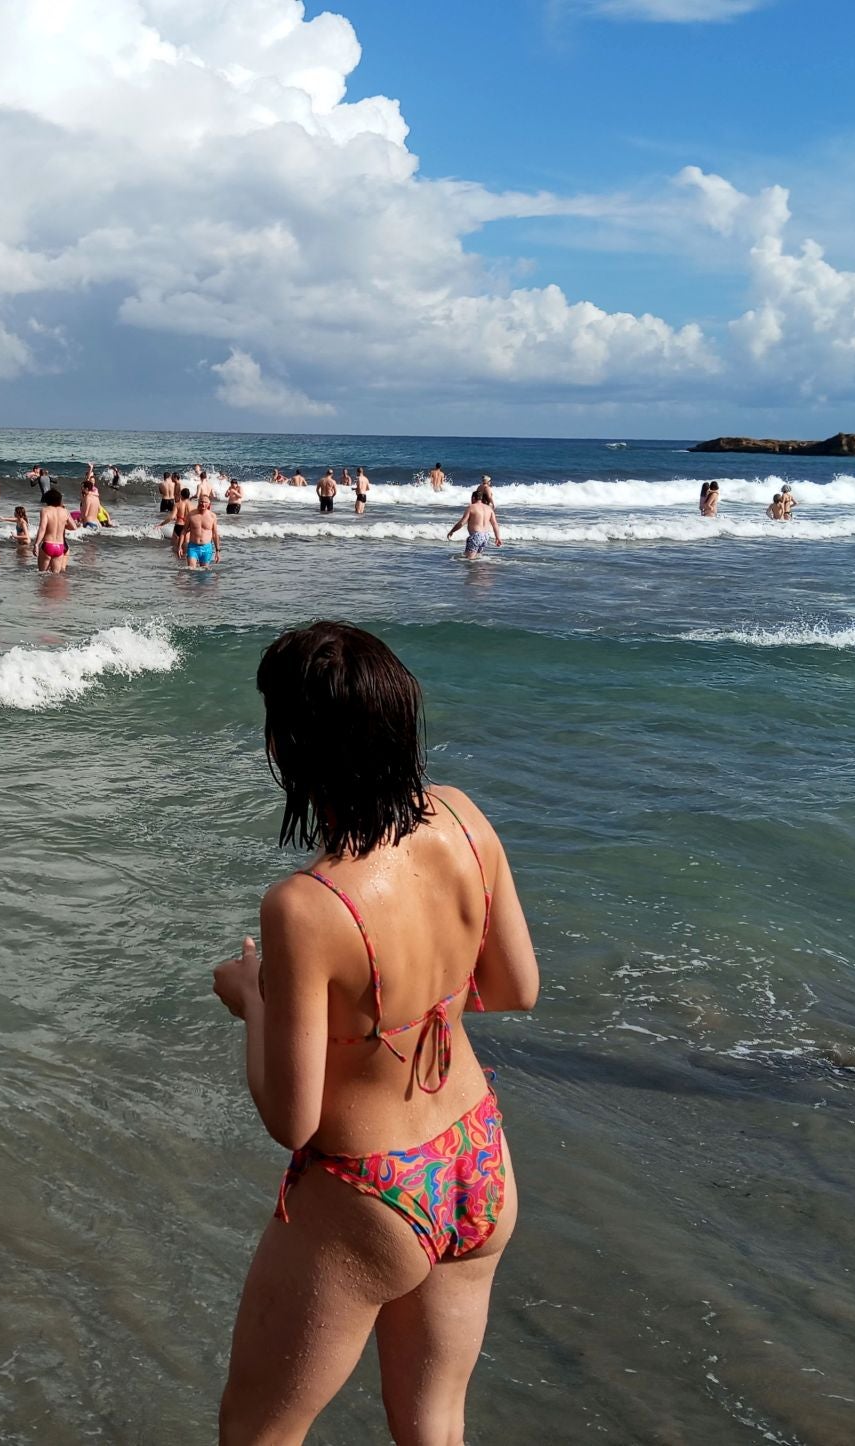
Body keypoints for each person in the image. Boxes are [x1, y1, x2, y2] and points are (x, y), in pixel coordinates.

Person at [212, 621, 539, 1444]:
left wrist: (253, 1000)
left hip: (371, 1192)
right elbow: (515, 988)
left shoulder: (305, 907)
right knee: (434, 1426)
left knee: (256, 1433)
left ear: (291, 746)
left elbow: (293, 1120)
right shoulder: (464, 820)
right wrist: (412, 1000)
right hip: (475, 1158)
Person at [447, 487, 501, 558]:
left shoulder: (471, 507)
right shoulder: (489, 509)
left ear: (473, 498)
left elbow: (462, 522)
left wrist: (452, 531)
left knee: (469, 560)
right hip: (486, 536)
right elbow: (495, 524)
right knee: (477, 558)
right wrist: (498, 537)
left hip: (476, 535)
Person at [35, 487, 75, 573]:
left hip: (48, 545)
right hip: (60, 546)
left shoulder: (45, 511)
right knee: (55, 576)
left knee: (41, 575)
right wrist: (62, 525)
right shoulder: (65, 511)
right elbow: (74, 527)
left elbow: (42, 528)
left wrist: (36, 544)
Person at [183, 495, 221, 570]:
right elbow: (184, 530)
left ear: (209, 504)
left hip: (207, 548)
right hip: (193, 547)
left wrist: (217, 551)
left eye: (205, 502)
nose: (203, 504)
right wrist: (179, 546)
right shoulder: (191, 514)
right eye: (201, 502)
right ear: (198, 502)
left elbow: (215, 534)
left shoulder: (212, 516)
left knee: (204, 574)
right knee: (191, 570)